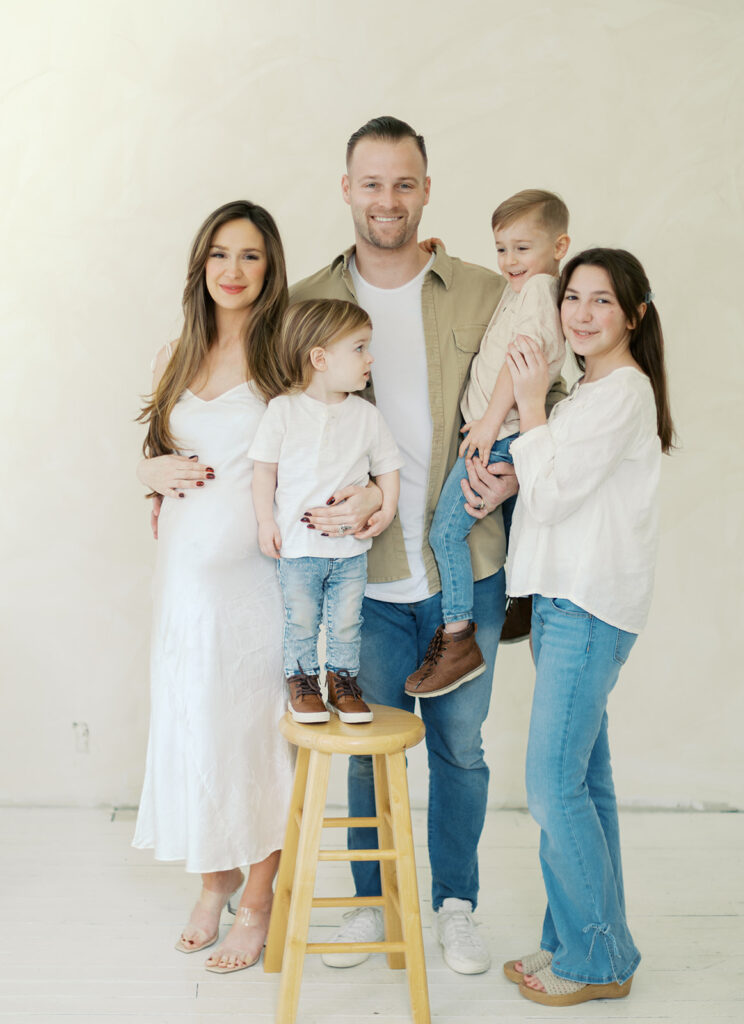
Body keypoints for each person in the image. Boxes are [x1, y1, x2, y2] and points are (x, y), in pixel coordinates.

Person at [290, 116, 564, 975]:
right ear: (347, 189)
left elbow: (553, 384)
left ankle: (456, 905)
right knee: (367, 753)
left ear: (427, 190)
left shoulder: (488, 288)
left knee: (459, 751)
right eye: (372, 183)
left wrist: (516, 473)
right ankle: (372, 905)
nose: (388, 200)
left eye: (404, 183)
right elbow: (271, 422)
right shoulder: (305, 302)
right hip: (357, 576)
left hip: (467, 565)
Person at [501, 249, 675, 1006]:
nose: (581, 313)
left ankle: (597, 960)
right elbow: (548, 487)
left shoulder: (622, 393)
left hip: (588, 609)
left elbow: (551, 496)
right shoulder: (589, 393)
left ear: (634, 314)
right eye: (572, 297)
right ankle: (579, 940)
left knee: (552, 789)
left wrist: (530, 405)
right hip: (562, 604)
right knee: (583, 786)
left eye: (602, 300)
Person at [133, 200, 295, 975]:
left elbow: (327, 452)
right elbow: (158, 453)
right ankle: (214, 879)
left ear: (271, 269)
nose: (233, 270)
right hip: (183, 588)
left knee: (254, 738)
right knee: (197, 728)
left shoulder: (286, 358)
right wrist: (147, 470)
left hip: (257, 591)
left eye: (251, 255)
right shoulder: (176, 354)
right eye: (221, 255)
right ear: (202, 265)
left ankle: (257, 900)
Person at [406, 190, 570, 698]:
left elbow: (518, 363)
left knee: (445, 534)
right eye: (502, 248)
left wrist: (486, 424)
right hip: (503, 432)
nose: (509, 260)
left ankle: (458, 637)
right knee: (518, 522)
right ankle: (524, 601)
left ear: (559, 247)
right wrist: (436, 254)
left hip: (498, 436)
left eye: (522, 248)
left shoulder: (539, 289)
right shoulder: (524, 288)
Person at [249, 299, 401, 724]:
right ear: (320, 359)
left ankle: (343, 683)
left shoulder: (367, 415)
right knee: (301, 621)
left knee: (347, 623)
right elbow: (264, 472)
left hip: (350, 552)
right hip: (298, 549)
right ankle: (303, 683)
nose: (370, 358)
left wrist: (386, 509)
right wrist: (265, 521)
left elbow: (388, 468)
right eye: (359, 348)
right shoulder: (283, 410)